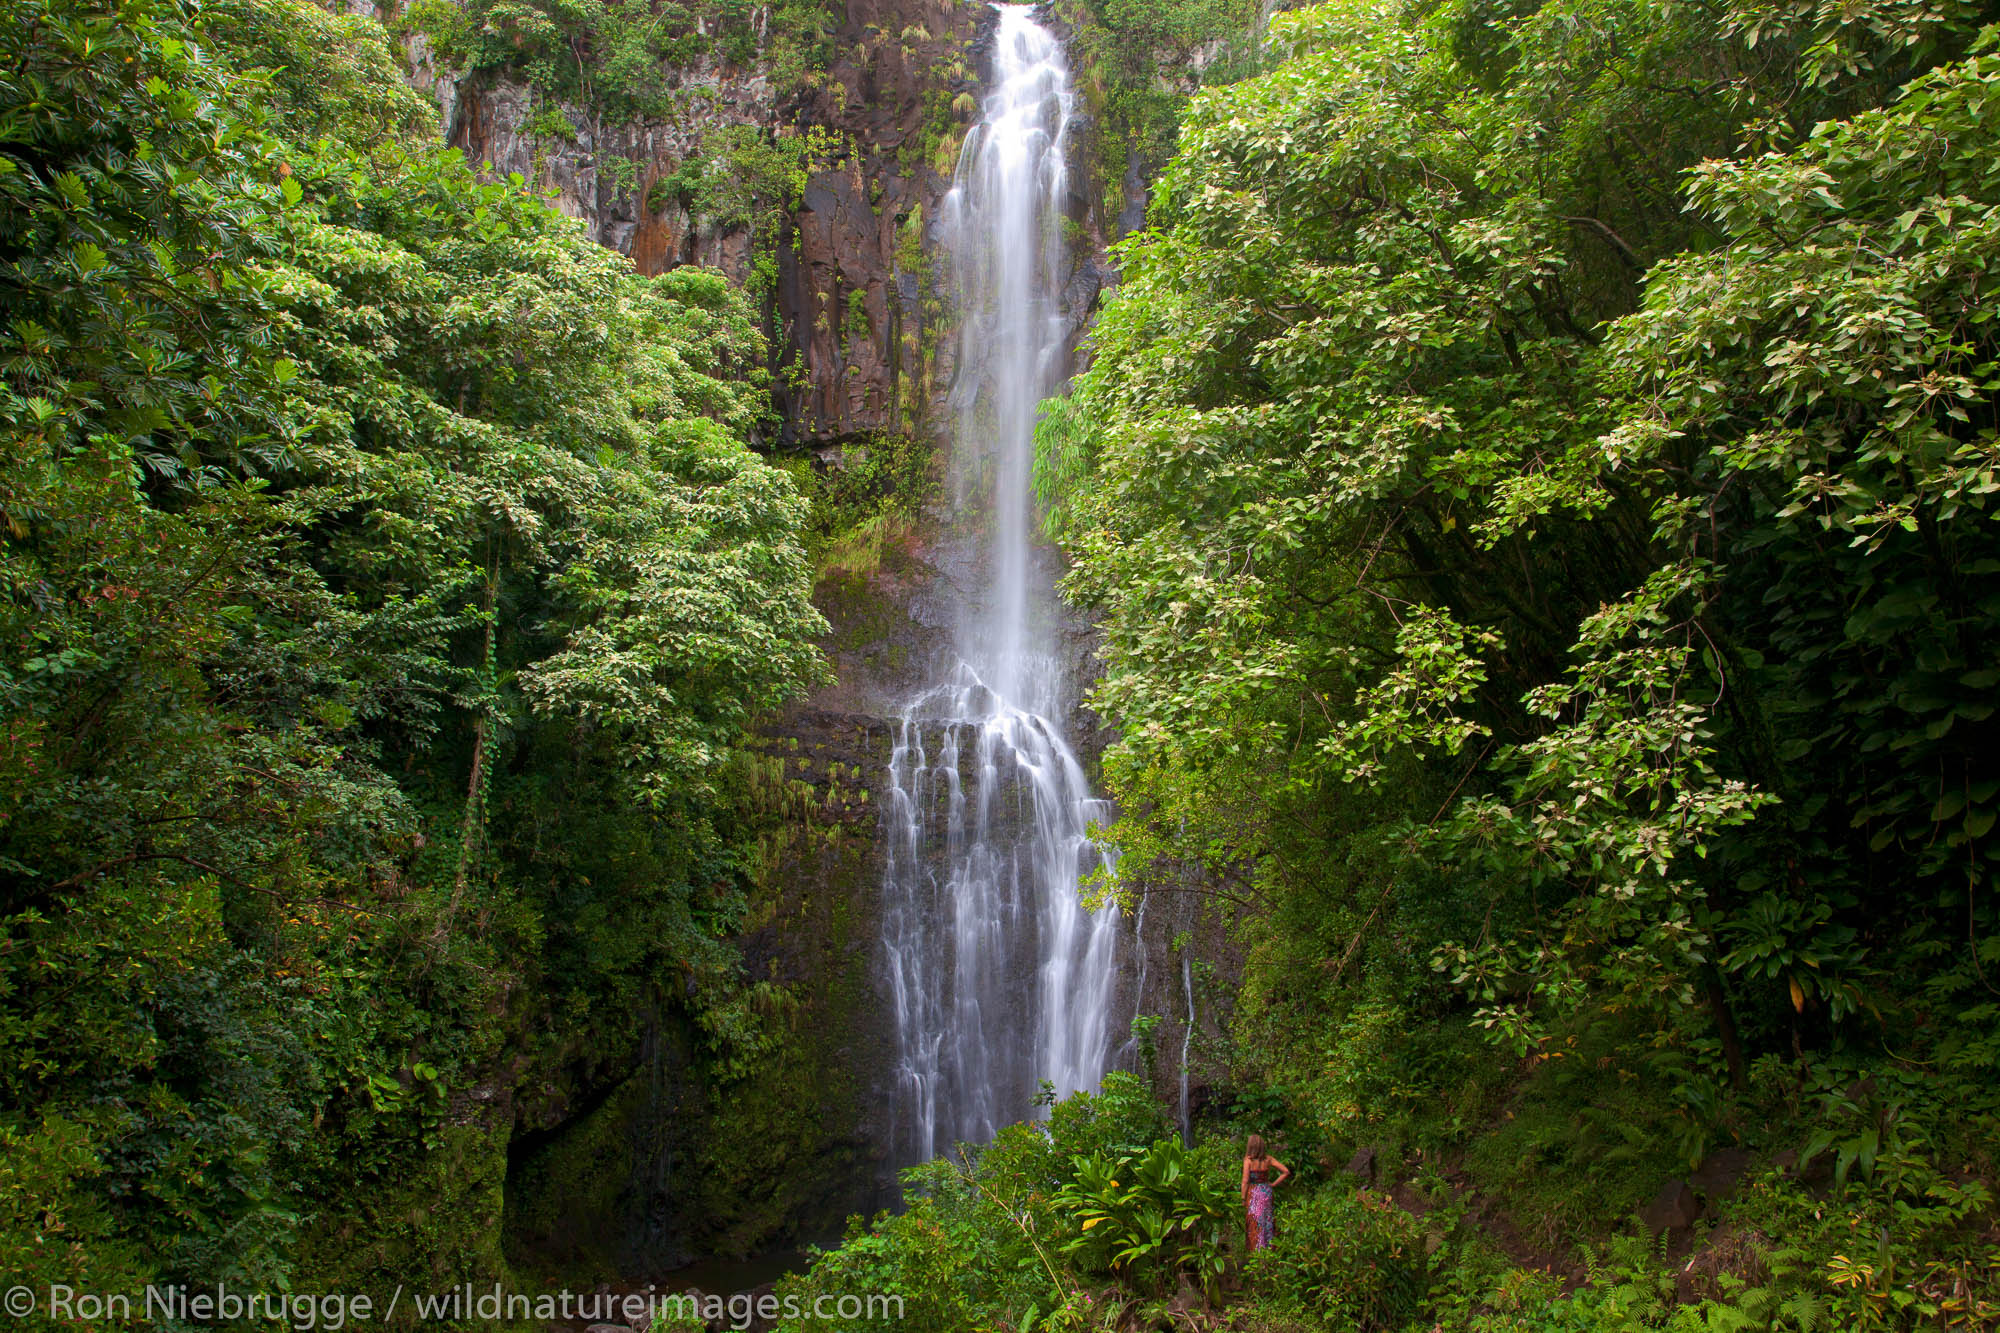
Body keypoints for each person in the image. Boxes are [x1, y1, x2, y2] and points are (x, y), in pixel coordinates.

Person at [1239, 1133, 1291, 1253]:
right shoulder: (1268, 1159)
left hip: (1254, 1194)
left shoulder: (1248, 1160)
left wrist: (1243, 1198)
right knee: (1267, 1221)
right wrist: (1273, 1184)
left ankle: (1257, 1252)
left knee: (1255, 1223)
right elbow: (1286, 1171)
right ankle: (1270, 1249)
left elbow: (1245, 1181)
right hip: (1266, 1192)